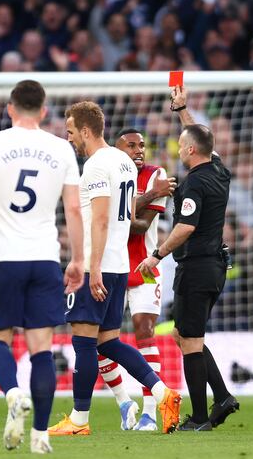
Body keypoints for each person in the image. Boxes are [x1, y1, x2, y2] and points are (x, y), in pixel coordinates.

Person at [0, 80, 85, 454]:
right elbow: (75, 209)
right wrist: (77, 260)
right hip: (45, 258)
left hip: (2, 258)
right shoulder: (61, 148)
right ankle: (41, 437)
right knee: (41, 349)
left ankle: (13, 393)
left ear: (11, 109)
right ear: (44, 111)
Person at [48, 102, 181, 436]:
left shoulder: (96, 165)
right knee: (107, 341)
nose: (69, 138)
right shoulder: (123, 162)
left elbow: (103, 218)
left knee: (83, 342)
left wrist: (90, 268)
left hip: (100, 264)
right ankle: (164, 393)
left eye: (71, 131)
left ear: (86, 130)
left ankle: (79, 420)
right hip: (121, 264)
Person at [136, 85, 239, 431]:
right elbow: (201, 138)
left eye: (181, 146)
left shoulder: (194, 184)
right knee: (183, 334)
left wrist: (156, 255)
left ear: (191, 151)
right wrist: (182, 110)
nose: (178, 150)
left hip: (195, 266)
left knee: (190, 341)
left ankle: (198, 417)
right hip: (215, 266)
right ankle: (222, 396)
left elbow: (185, 228)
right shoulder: (219, 170)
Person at [97, 128, 177, 431]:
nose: (139, 150)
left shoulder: (157, 173)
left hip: (144, 266)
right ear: (118, 150)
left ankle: (150, 413)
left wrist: (127, 206)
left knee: (145, 331)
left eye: (142, 145)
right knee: (99, 342)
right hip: (108, 267)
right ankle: (123, 402)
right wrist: (153, 194)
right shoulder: (105, 173)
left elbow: (139, 227)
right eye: (131, 146)